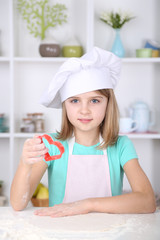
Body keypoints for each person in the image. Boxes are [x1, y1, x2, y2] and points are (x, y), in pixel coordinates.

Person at [10, 47, 156, 217]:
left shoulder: (121, 145)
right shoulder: (51, 145)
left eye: (94, 100)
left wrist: (87, 204)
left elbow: (147, 201)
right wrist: (24, 164)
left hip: (109, 232)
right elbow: (18, 203)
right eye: (75, 101)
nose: (84, 110)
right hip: (60, 232)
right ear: (65, 105)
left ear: (108, 104)